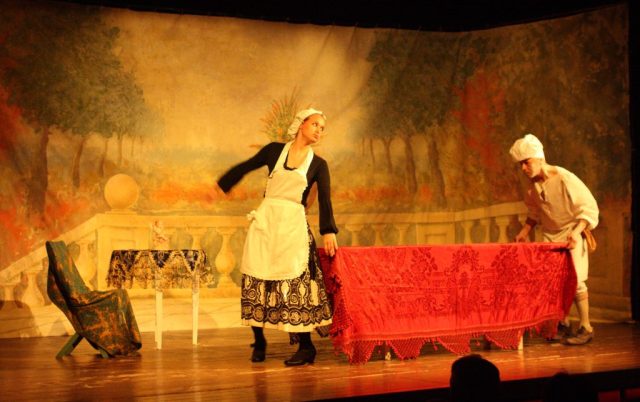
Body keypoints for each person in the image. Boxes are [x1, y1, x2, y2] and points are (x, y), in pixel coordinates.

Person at [214, 108, 338, 366]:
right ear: (301, 124)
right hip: (267, 222)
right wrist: (223, 184)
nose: (319, 130)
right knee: (258, 275)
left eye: (322, 128)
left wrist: (328, 231)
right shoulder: (274, 151)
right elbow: (247, 166)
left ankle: (306, 347)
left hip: (293, 226)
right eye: (315, 124)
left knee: (296, 283)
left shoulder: (318, 164)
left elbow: (325, 199)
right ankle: (259, 341)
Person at [509, 133, 599, 345]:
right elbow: (534, 212)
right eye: (520, 164)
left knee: (576, 281)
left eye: (526, 162)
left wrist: (576, 232)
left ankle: (586, 327)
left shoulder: (564, 178)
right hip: (551, 235)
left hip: (571, 232)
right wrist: (524, 231)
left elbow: (588, 208)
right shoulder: (533, 186)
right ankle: (563, 323)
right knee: (556, 282)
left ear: (539, 158)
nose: (523, 168)